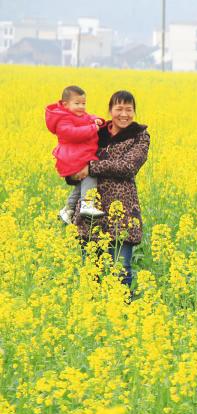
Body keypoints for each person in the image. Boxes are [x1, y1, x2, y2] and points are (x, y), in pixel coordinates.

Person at [73, 90, 150, 289]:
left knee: (121, 270)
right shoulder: (94, 133)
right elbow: (74, 158)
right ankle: (91, 315)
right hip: (91, 212)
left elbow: (128, 166)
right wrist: (71, 172)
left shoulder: (139, 136)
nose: (124, 114)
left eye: (129, 109)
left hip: (122, 214)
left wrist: (89, 167)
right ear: (110, 110)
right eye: (119, 108)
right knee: (90, 271)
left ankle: (124, 315)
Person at [45, 85, 105, 223]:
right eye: (77, 103)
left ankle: (68, 210)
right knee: (90, 174)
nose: (81, 107)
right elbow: (72, 134)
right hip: (72, 157)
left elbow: (88, 116)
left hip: (77, 155)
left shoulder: (76, 114)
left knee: (83, 182)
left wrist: (97, 120)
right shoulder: (63, 119)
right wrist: (92, 128)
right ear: (65, 104)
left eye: (83, 103)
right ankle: (87, 204)